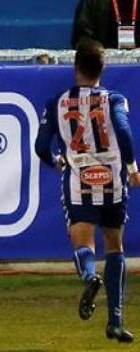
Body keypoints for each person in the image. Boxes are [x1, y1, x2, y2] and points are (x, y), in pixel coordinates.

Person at [35, 40, 139, 343]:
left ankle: (89, 276)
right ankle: (116, 320)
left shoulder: (58, 102)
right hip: (112, 179)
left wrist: (54, 160)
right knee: (115, 247)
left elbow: (41, 145)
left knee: (83, 242)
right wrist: (132, 168)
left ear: (75, 66)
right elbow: (123, 130)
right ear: (102, 68)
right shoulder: (114, 99)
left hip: (79, 178)